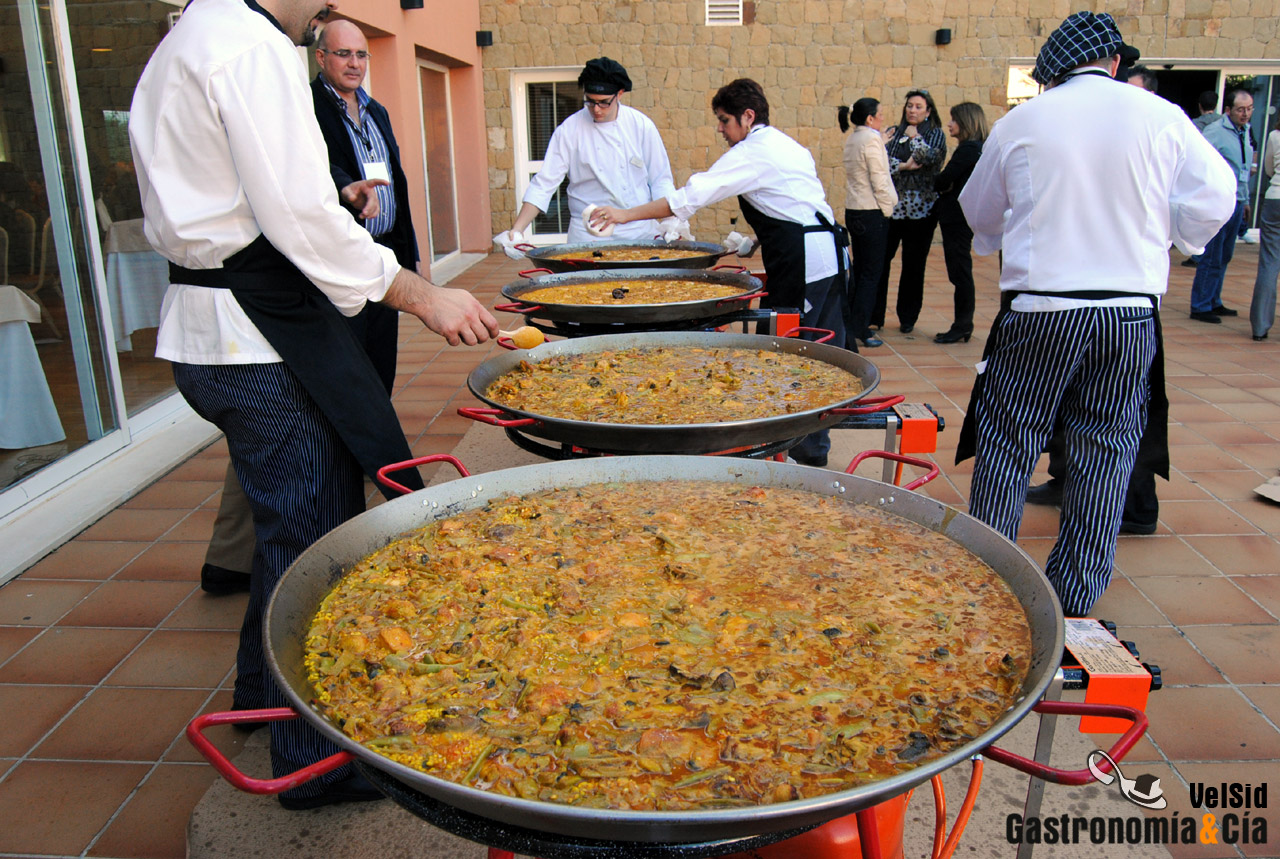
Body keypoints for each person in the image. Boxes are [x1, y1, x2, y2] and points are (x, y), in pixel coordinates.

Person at [128, 0, 498, 810]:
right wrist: (418, 294)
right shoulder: (247, 44)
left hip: (213, 334)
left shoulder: (185, 38)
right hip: (251, 336)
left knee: (285, 529)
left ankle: (259, 695)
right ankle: (313, 760)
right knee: (316, 537)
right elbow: (299, 213)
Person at [954, 11, 1235, 616]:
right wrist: (1176, 237)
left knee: (1008, 441)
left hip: (1041, 309)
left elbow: (976, 210)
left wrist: (1003, 233)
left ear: (1052, 73)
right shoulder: (1161, 116)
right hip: (1128, 314)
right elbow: (1219, 193)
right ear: (1113, 63)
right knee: (1105, 450)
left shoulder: (1022, 120)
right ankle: (1073, 600)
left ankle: (991, 589)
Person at [199, 17, 425, 596]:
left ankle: (244, 554)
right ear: (320, 57)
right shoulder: (294, 100)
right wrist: (346, 194)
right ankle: (247, 554)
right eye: (342, 54)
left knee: (365, 396)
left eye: (361, 55)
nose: (354, 63)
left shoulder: (374, 112)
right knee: (322, 416)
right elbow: (303, 190)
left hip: (380, 271)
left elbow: (394, 181)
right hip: (326, 278)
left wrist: (409, 265)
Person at [589, 78, 849, 468]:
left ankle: (792, 451)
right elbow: (791, 206)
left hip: (806, 265)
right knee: (820, 353)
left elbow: (690, 197)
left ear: (748, 117)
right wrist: (750, 242)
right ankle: (809, 451)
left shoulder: (754, 151)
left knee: (790, 356)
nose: (721, 130)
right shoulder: (784, 144)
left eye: (725, 121)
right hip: (829, 257)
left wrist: (623, 214)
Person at [493, 58, 683, 256]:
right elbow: (544, 183)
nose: (596, 109)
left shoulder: (641, 126)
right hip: (588, 235)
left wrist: (671, 222)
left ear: (619, 94)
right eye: (590, 101)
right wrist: (517, 230)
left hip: (638, 231)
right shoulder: (569, 129)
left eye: (603, 102)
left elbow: (660, 179)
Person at [874, 89, 946, 335]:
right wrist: (904, 165)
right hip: (893, 208)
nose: (912, 111)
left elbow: (930, 159)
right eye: (910, 106)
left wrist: (915, 140)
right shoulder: (893, 133)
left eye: (918, 107)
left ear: (928, 111)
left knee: (914, 265)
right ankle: (875, 315)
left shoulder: (935, 134)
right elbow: (882, 161)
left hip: (922, 211)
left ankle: (907, 317)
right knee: (882, 261)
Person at [1190, 88, 1255, 323]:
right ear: (1228, 110)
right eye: (1240, 109)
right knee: (1212, 254)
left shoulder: (1244, 131)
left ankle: (1214, 300)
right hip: (1219, 201)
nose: (1245, 114)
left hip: (1237, 200)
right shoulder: (1216, 132)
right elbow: (1199, 162)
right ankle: (1200, 305)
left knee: (1225, 254)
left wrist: (1245, 200)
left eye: (1249, 109)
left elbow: (1244, 170)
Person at [839, 97, 896, 350]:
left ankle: (850, 322)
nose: (883, 118)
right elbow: (879, 178)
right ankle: (860, 327)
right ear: (870, 118)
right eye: (880, 114)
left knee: (860, 270)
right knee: (871, 274)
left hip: (854, 209)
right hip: (871, 211)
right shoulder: (870, 139)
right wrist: (887, 209)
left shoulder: (855, 138)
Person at [931, 102, 987, 344]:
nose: (949, 124)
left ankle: (962, 324)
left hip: (957, 218)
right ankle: (962, 323)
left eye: (954, 120)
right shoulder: (977, 149)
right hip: (960, 217)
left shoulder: (968, 150)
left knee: (960, 271)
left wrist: (941, 181)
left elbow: (942, 181)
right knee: (960, 270)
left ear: (966, 122)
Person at [1251, 112, 1280, 342]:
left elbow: (1269, 169)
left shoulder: (1274, 135)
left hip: (1275, 198)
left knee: (1269, 264)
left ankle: (1260, 326)